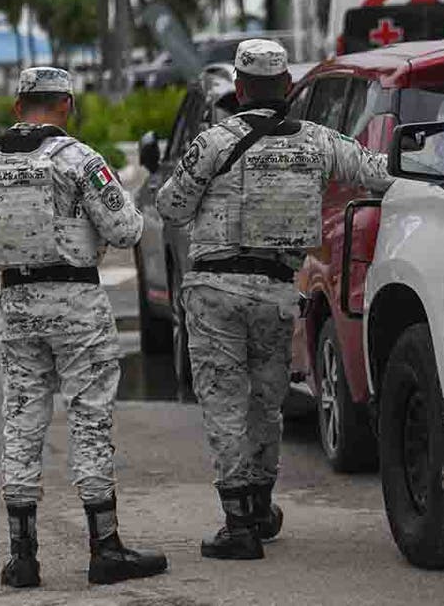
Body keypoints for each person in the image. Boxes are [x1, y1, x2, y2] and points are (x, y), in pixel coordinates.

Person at [156, 40, 391, 560]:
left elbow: (171, 206)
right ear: (287, 87)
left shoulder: (213, 141)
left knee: (224, 403)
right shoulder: (318, 141)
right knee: (267, 402)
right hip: (276, 293)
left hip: (215, 291)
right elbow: (378, 172)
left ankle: (238, 522)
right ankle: (261, 505)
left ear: (239, 89)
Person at [0, 67, 168, 588]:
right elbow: (126, 228)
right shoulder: (79, 159)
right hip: (76, 303)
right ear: (66, 105)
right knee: (89, 418)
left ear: (17, 108)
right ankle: (105, 546)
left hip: (17, 303)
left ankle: (21, 557)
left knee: (22, 420)